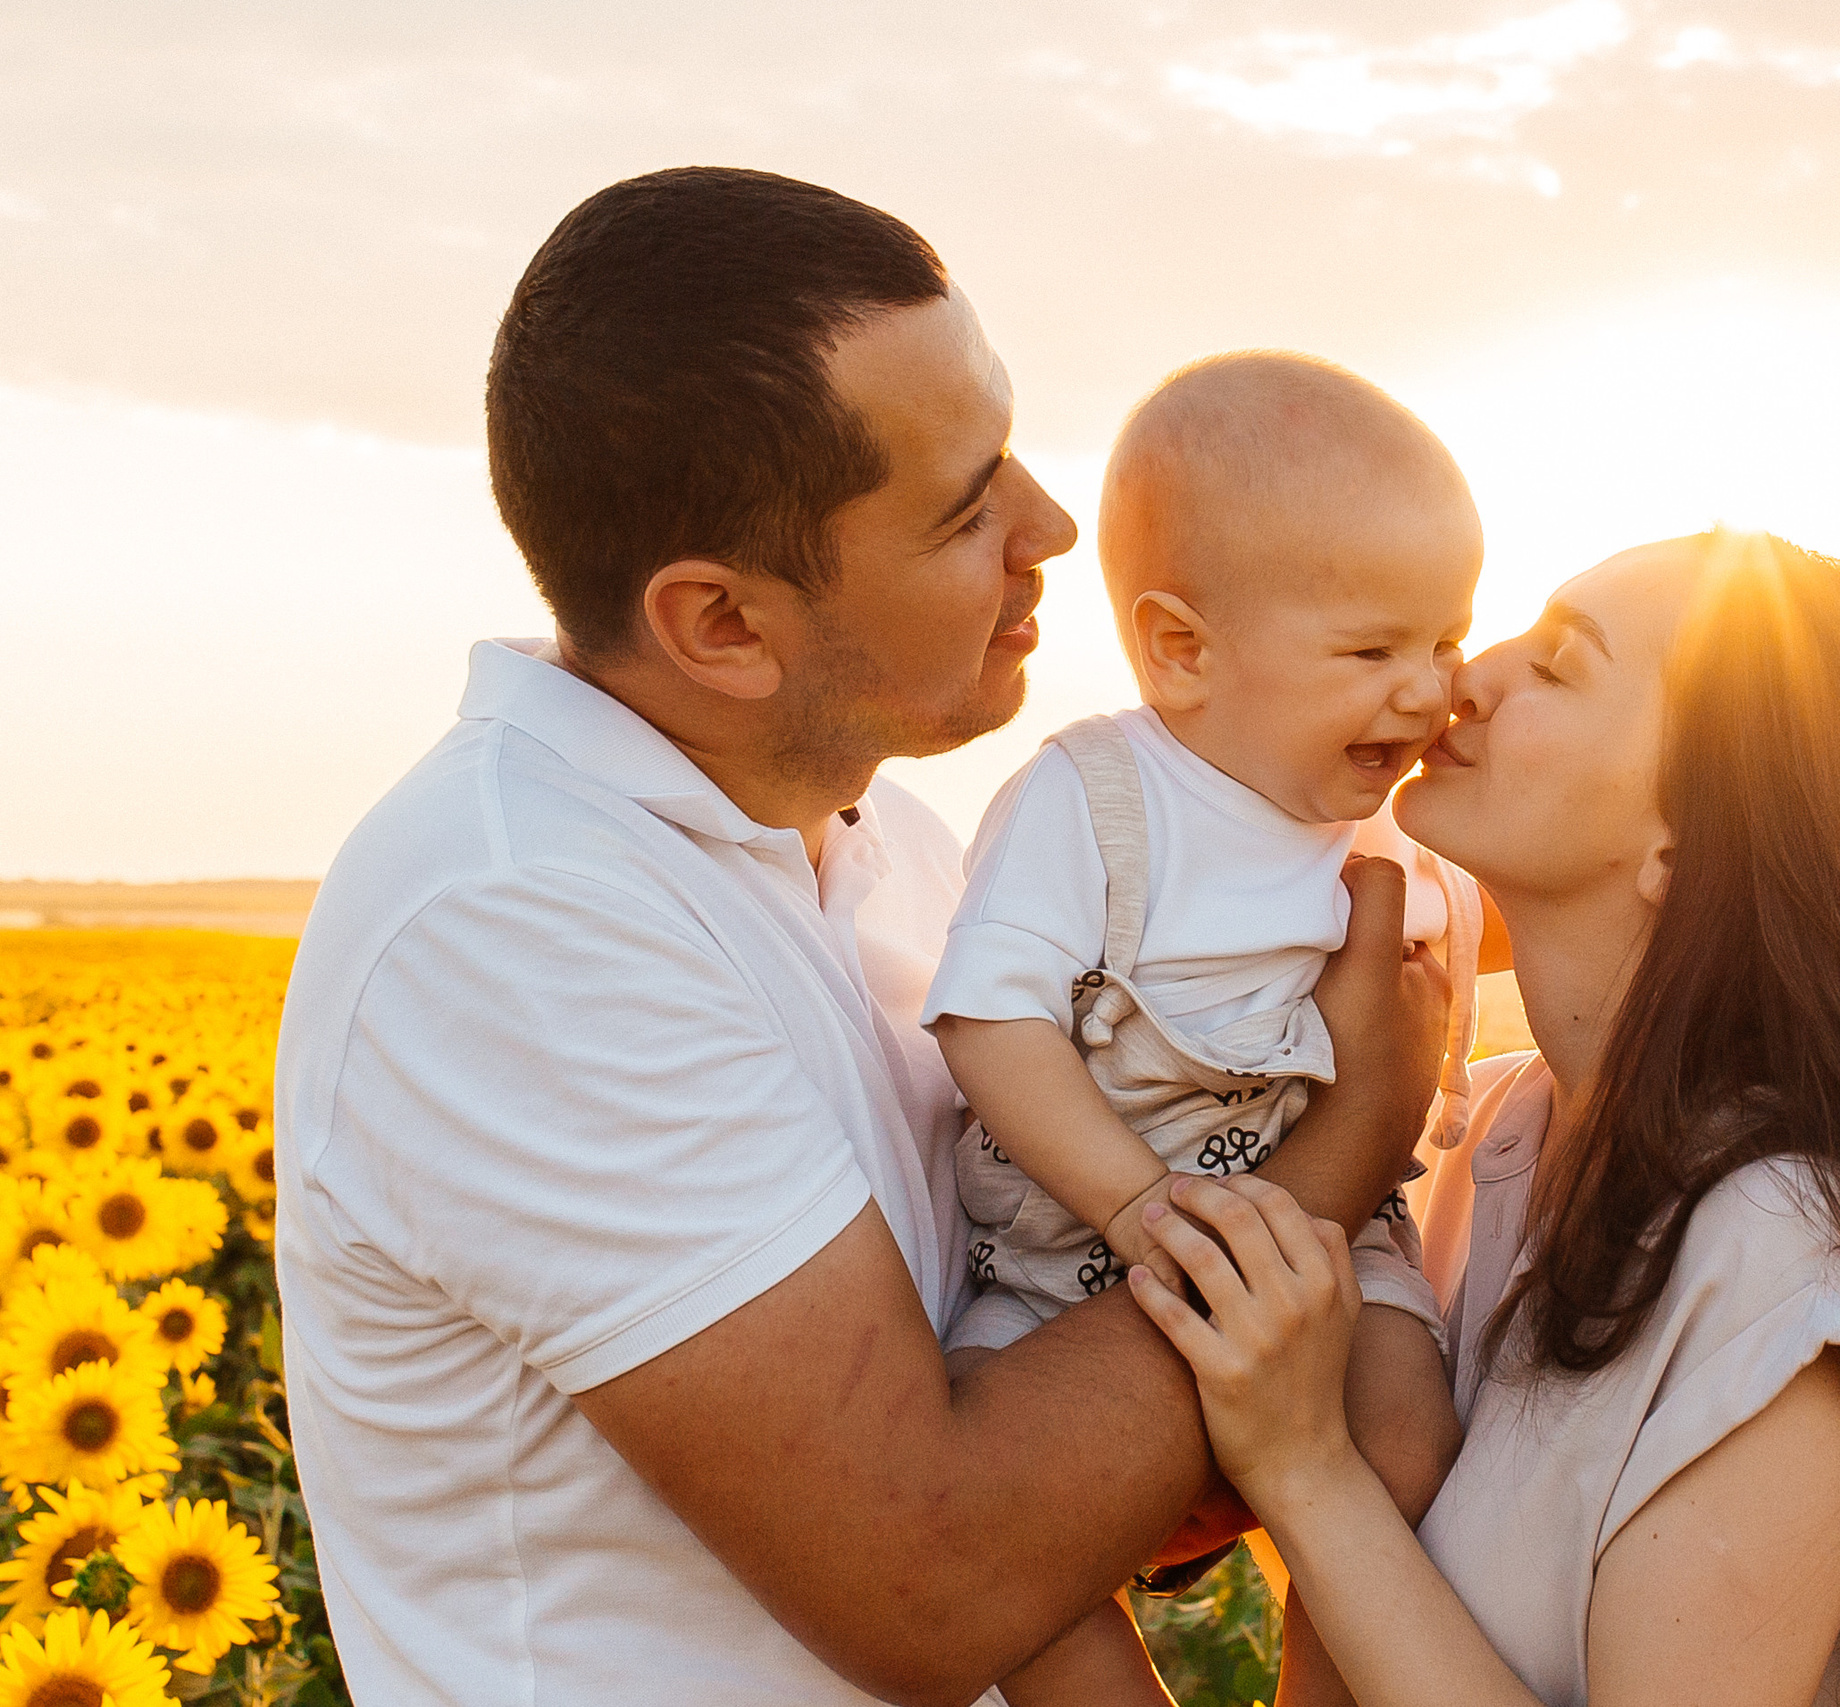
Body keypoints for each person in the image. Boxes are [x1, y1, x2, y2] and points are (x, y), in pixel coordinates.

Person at [272, 167, 1447, 1707]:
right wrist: (1354, 1132)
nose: (1045, 527)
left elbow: (1052, 1398)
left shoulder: (893, 840)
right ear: (725, 626)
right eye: (966, 506)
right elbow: (938, 1567)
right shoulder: (514, 921)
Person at [1128, 531, 1840, 1705]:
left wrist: (1303, 1470)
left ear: (1686, 837)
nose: (1468, 676)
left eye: (1558, 665)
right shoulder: (1487, 1135)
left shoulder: (1780, 1256)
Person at [924, 351, 1479, 1705]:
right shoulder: (1097, 801)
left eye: (1449, 639)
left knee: (1408, 1444)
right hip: (1071, 1259)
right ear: (1181, 647)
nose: (1429, 692)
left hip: (1333, 1243)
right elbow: (988, 1016)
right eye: (1374, 650)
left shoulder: (1398, 827)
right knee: (1008, 1553)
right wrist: (1131, 1201)